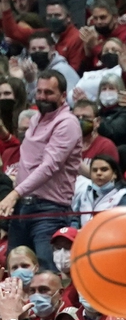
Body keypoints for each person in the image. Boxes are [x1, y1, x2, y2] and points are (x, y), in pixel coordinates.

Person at [0, 71, 80, 271]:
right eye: (40, 91)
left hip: (49, 210)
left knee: (46, 270)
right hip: (22, 208)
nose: (42, 97)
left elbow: (49, 166)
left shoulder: (68, 123)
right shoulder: (35, 118)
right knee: (15, 269)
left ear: (63, 95)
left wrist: (15, 193)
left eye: (49, 92)